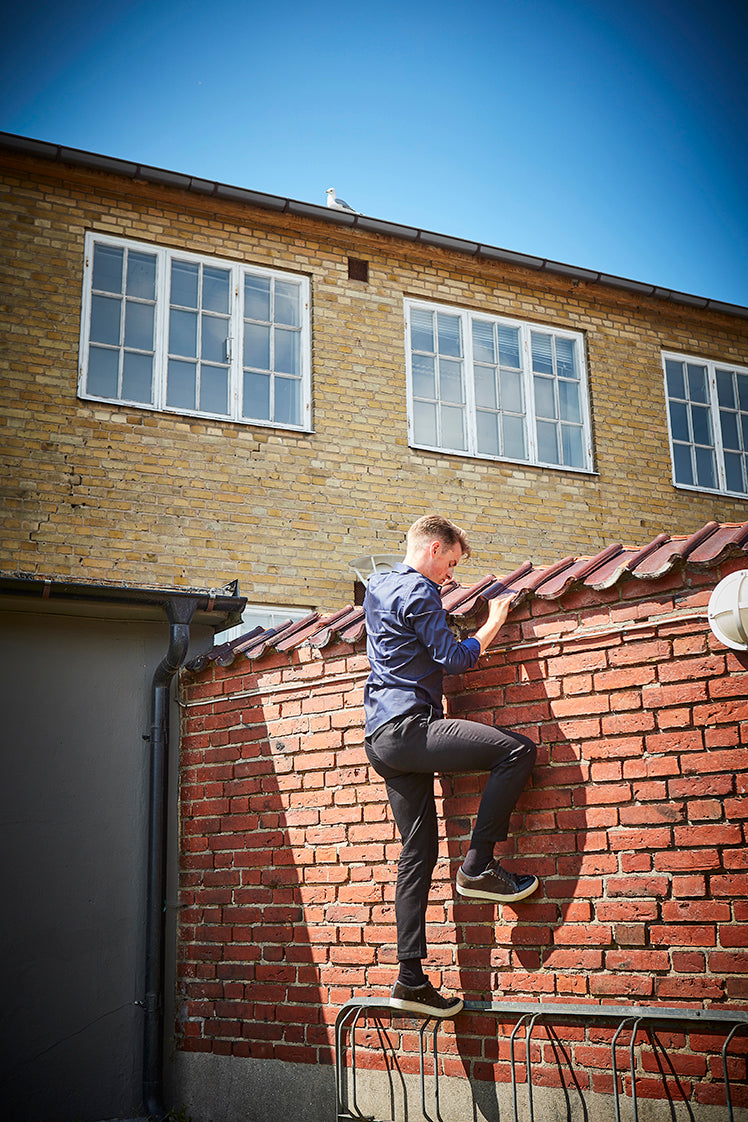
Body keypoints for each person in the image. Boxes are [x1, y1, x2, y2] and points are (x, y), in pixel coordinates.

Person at [363, 515, 538, 1019]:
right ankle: (479, 865)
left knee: (417, 853)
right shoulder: (421, 593)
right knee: (517, 750)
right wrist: (493, 621)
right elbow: (455, 660)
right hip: (411, 729)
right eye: (451, 564)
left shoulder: (380, 584)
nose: (449, 575)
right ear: (436, 548)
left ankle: (410, 979)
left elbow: (413, 622)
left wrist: (441, 595)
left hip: (380, 738)